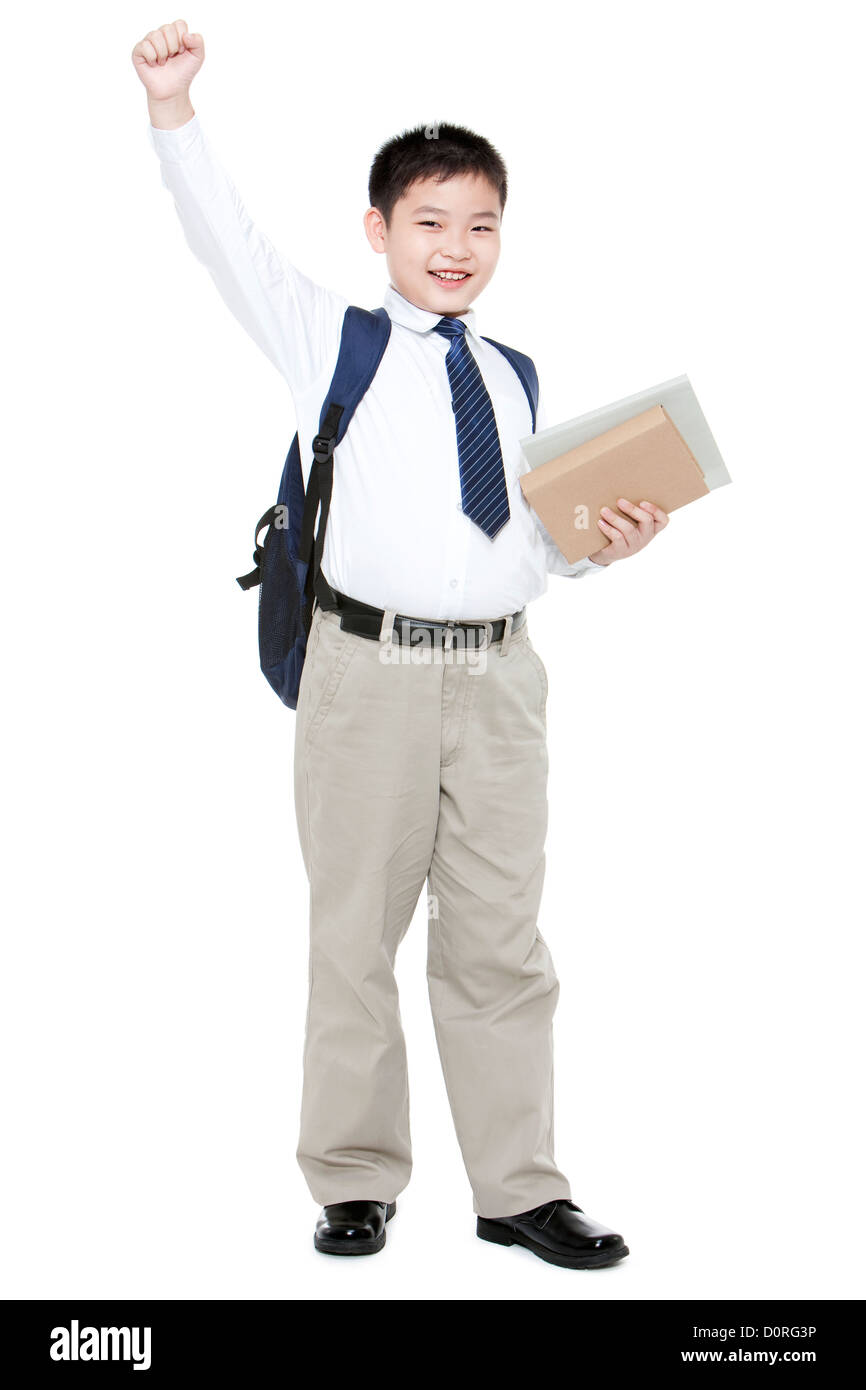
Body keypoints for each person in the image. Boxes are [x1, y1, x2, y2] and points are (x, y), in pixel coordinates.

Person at [133, 18, 669, 1270]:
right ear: (379, 230)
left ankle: (518, 1189)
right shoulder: (337, 339)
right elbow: (226, 240)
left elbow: (523, 546)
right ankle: (356, 1179)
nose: (457, 248)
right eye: (430, 221)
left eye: (481, 225)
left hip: (498, 678)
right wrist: (174, 110)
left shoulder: (514, 372)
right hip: (365, 671)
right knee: (354, 932)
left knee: (500, 939)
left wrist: (602, 542)